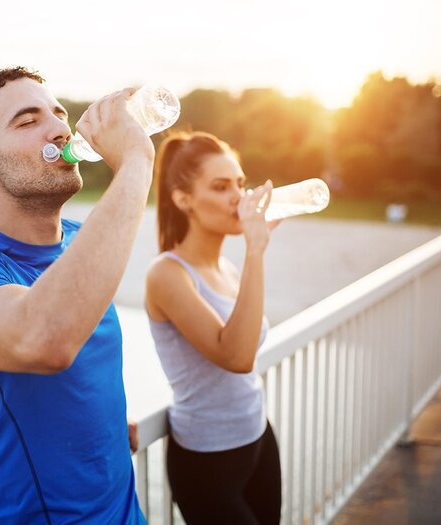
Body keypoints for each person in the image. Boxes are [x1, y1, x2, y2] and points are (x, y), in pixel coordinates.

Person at [0, 67, 154, 524]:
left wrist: (103, 426)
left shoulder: (80, 241)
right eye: (28, 121)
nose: (59, 129)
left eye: (59, 114)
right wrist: (135, 161)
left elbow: (80, 379)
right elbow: (45, 339)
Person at [145, 131, 282, 524]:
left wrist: (251, 255)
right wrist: (256, 250)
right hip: (207, 459)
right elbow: (236, 356)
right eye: (221, 187)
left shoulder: (227, 268)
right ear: (183, 199)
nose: (238, 197)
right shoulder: (167, 275)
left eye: (240, 183)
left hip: (256, 435)